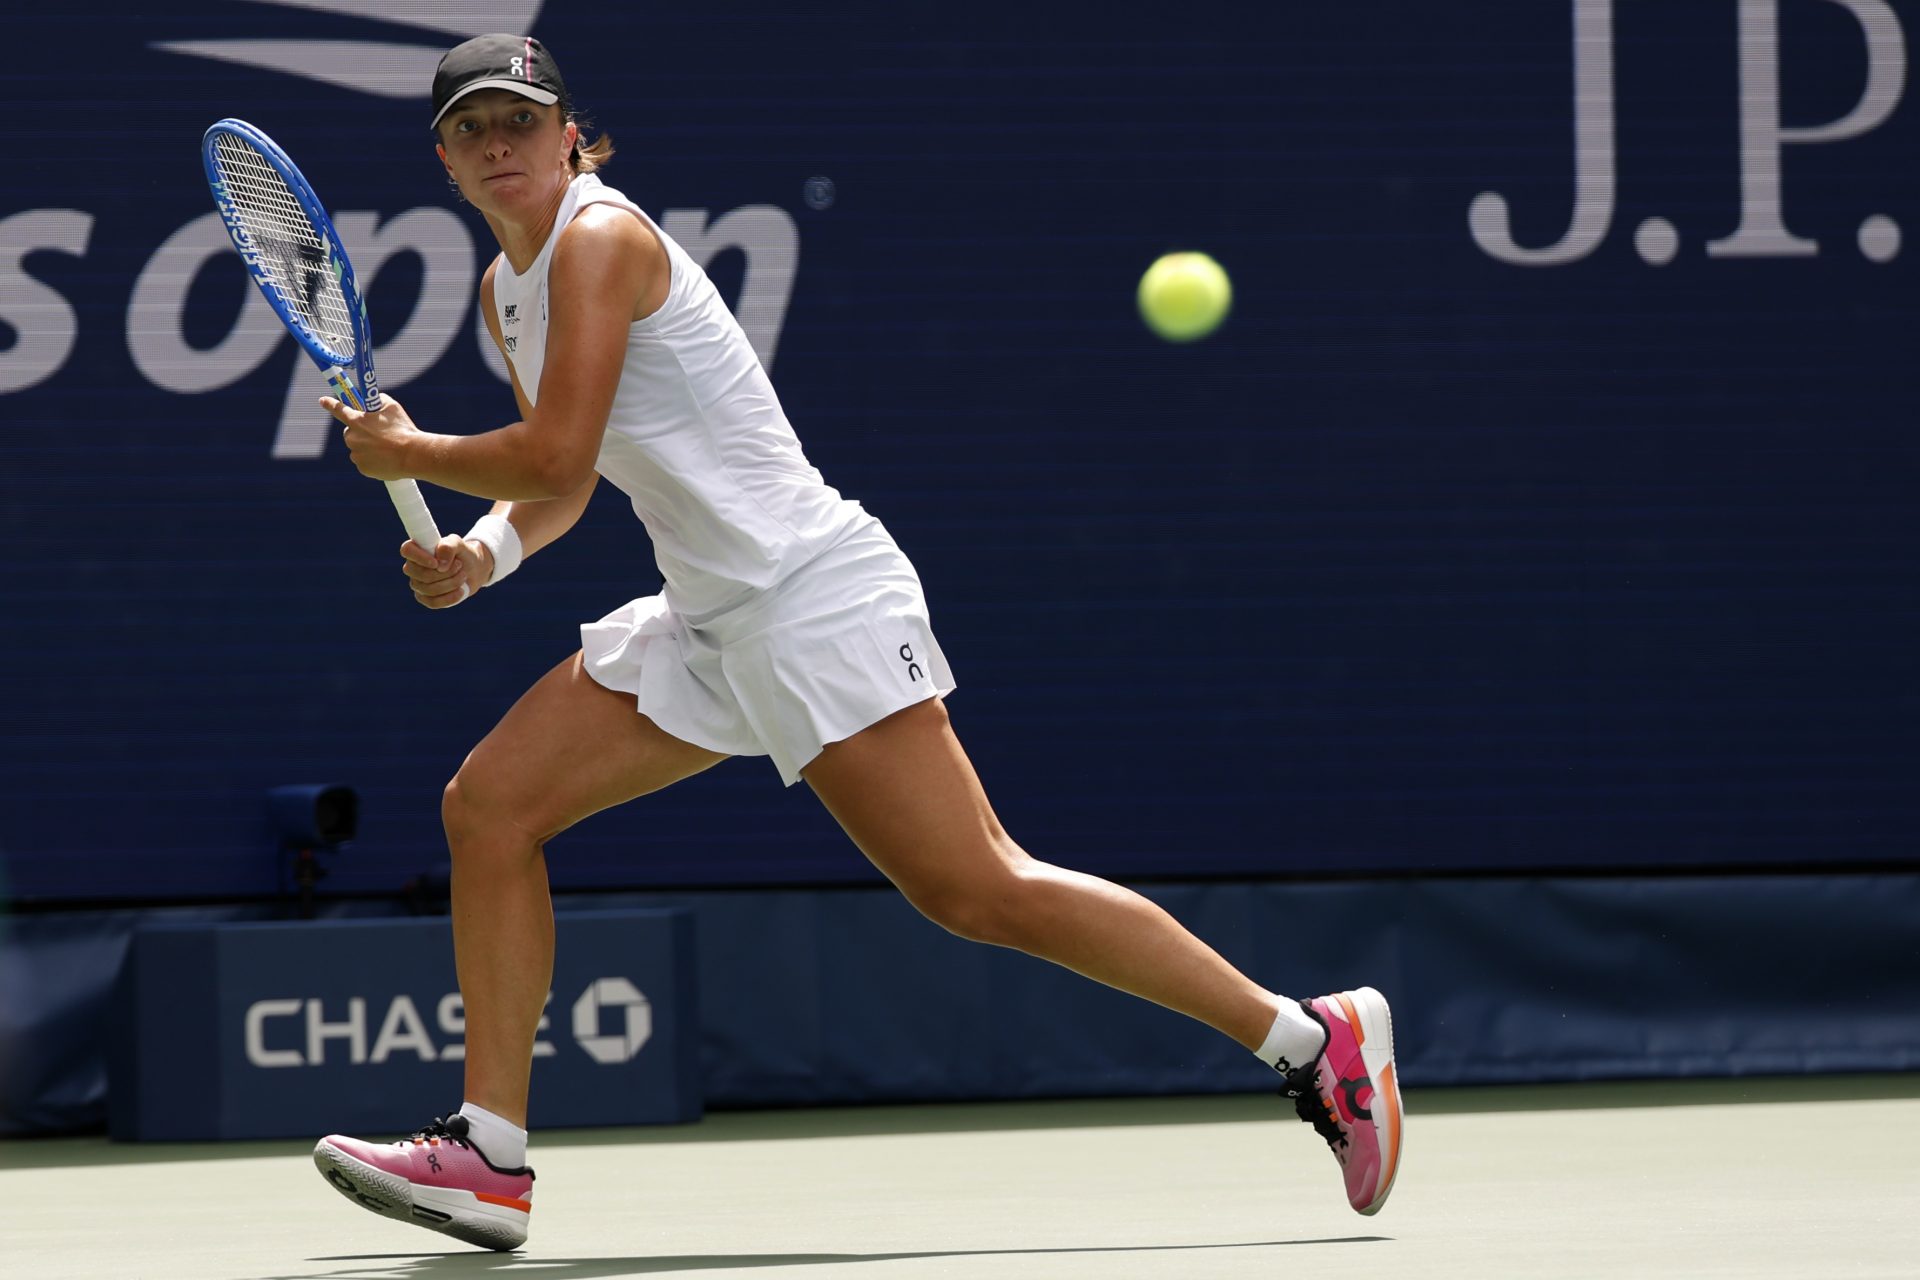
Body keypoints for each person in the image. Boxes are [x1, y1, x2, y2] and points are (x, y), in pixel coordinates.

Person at [309, 34, 1402, 1252]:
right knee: (490, 807)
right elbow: (564, 491)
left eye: (520, 119)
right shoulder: (505, 291)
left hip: (809, 597)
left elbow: (556, 452)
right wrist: (484, 553)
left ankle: (1313, 1040)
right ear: (447, 162)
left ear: (571, 133)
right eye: (471, 129)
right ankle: (489, 1153)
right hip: (711, 616)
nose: (498, 143)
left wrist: (415, 455)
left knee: (977, 887)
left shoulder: (603, 240)